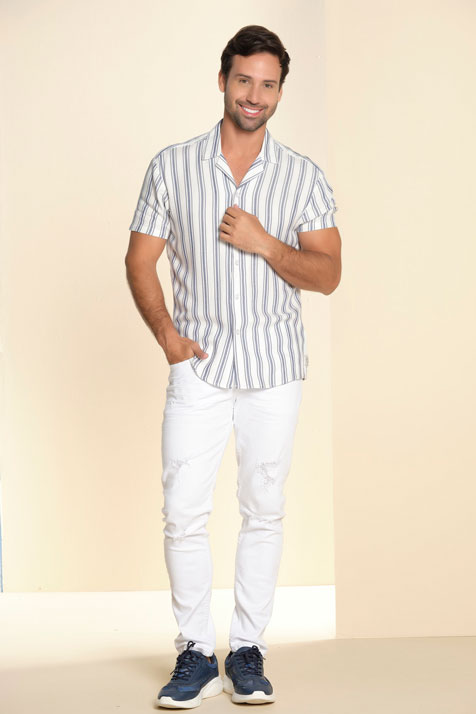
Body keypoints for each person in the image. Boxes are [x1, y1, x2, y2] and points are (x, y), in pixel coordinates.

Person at [125, 24, 341, 709]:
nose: (255, 95)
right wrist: (167, 336)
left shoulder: (303, 175)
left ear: (280, 92)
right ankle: (195, 652)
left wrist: (266, 243)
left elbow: (328, 274)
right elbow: (139, 259)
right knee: (183, 513)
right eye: (244, 80)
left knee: (264, 509)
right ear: (223, 81)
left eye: (268, 84)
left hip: (275, 369)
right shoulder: (172, 166)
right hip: (200, 367)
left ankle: (248, 651)